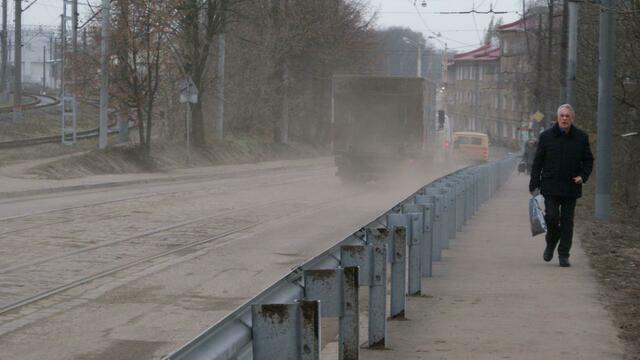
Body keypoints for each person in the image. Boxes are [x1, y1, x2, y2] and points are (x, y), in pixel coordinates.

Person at [529, 104, 594, 267]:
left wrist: (583, 176)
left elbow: (588, 160)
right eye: (562, 116)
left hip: (571, 186)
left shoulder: (581, 137)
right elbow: (538, 162)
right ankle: (551, 242)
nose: (564, 118)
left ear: (572, 119)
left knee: (567, 221)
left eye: (567, 116)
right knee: (551, 217)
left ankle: (564, 254)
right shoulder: (546, 137)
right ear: (557, 118)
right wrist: (534, 184)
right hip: (550, 186)